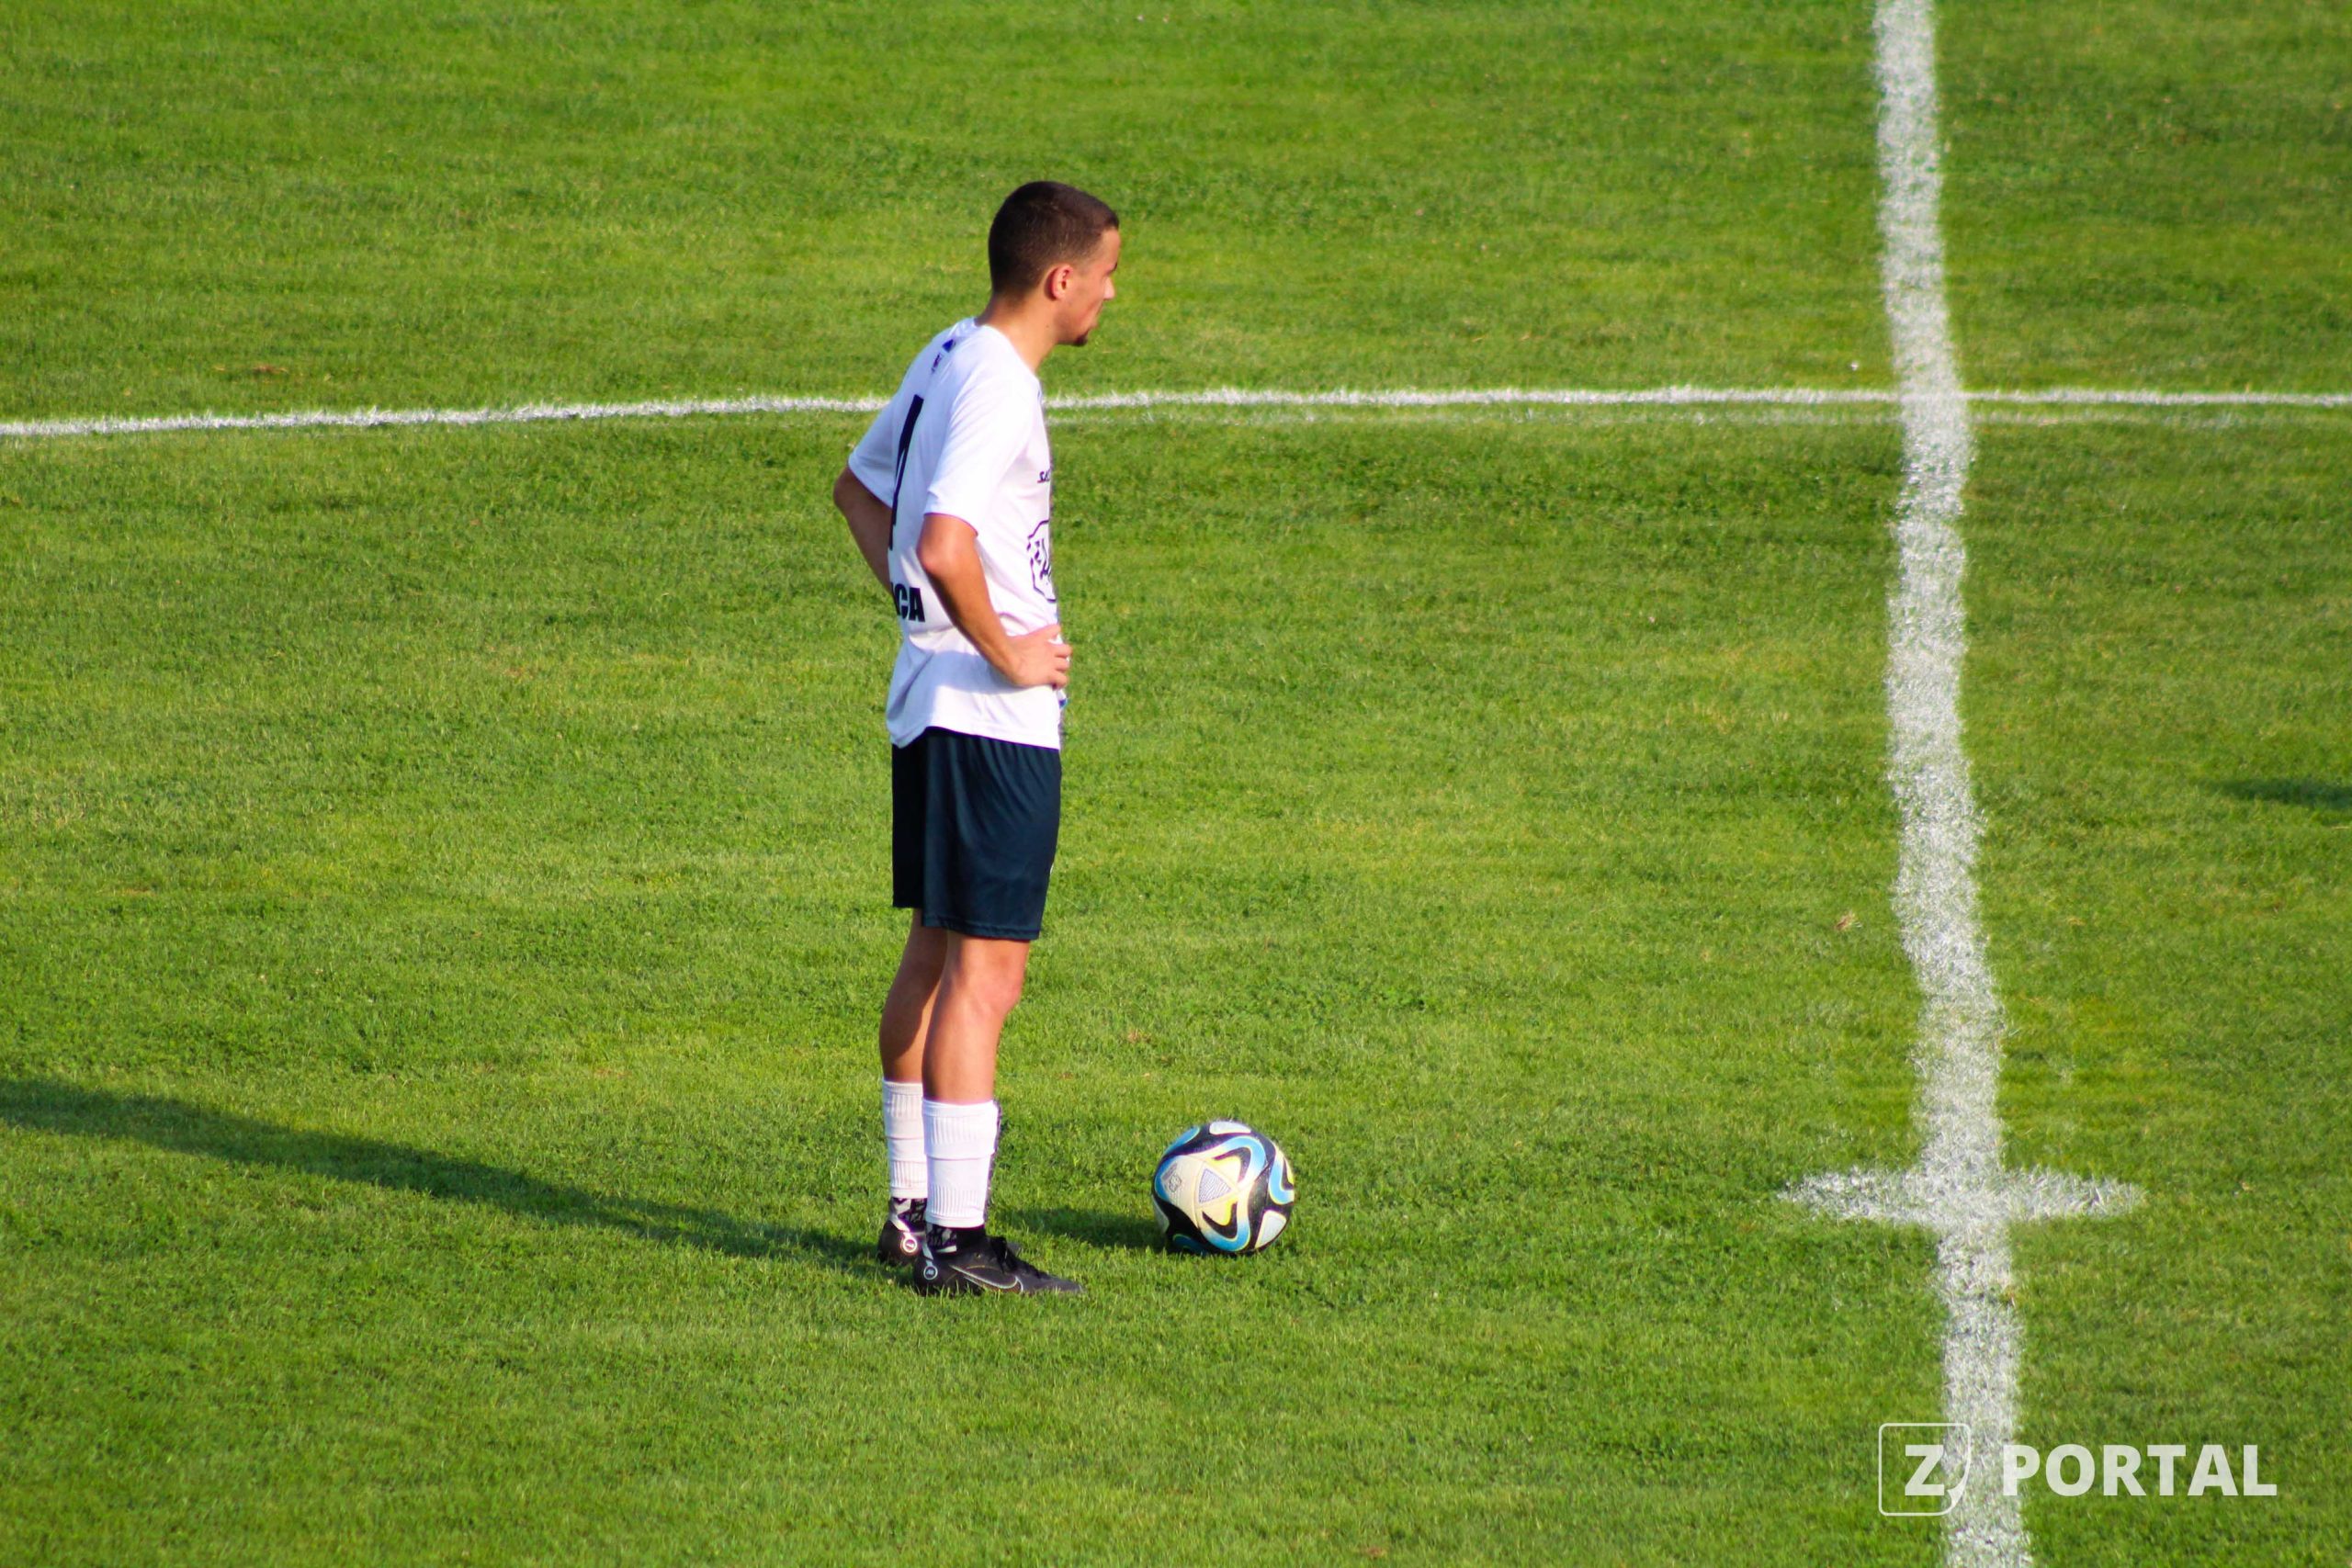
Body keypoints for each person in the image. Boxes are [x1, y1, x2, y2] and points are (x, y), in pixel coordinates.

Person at [830, 181, 1120, 1295]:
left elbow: (859, 493)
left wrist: (924, 624)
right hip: (989, 721)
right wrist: (1004, 653)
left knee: (936, 953)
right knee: (986, 976)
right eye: (1105, 276)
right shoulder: (999, 381)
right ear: (1060, 279)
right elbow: (944, 541)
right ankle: (958, 1241)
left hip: (929, 701)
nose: (1109, 296)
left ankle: (912, 1218)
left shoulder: (949, 349)